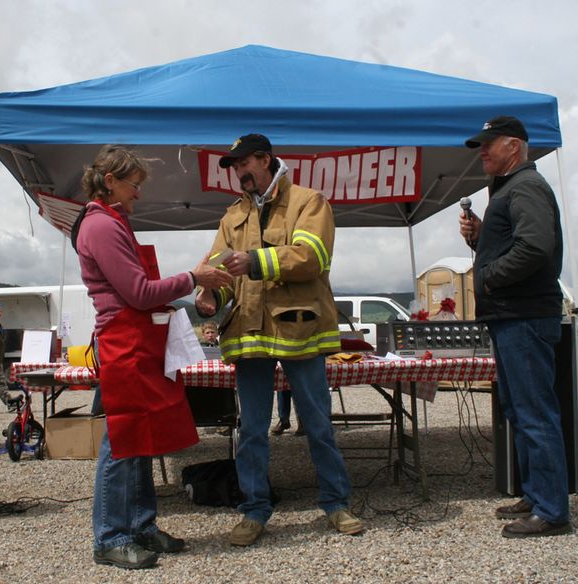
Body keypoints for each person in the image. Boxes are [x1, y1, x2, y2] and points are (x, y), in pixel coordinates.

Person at [196, 133, 362, 546]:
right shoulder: (231, 217)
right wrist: (210, 294)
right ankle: (254, 510)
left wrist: (253, 261)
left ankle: (336, 503)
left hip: (300, 330)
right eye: (233, 167)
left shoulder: (309, 201)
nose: (238, 173)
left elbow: (313, 257)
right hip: (249, 334)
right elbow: (221, 271)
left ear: (265, 160)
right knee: (252, 430)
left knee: (319, 425)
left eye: (243, 164)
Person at [70, 145, 232, 569]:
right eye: (133, 185)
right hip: (123, 344)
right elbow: (138, 292)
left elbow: (137, 290)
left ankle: (141, 525)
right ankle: (110, 536)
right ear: (111, 182)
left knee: (139, 439)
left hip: (135, 342)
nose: (137, 194)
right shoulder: (101, 227)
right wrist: (193, 277)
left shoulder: (112, 223)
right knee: (122, 441)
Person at [459, 116, 572, 538]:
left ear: (514, 146)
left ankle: (551, 511)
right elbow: (517, 244)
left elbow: (536, 247)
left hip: (524, 316)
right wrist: (480, 238)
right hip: (513, 316)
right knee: (520, 410)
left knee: (534, 413)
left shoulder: (525, 186)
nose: (482, 151)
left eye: (489, 144)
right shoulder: (509, 190)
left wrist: (488, 276)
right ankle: (536, 494)